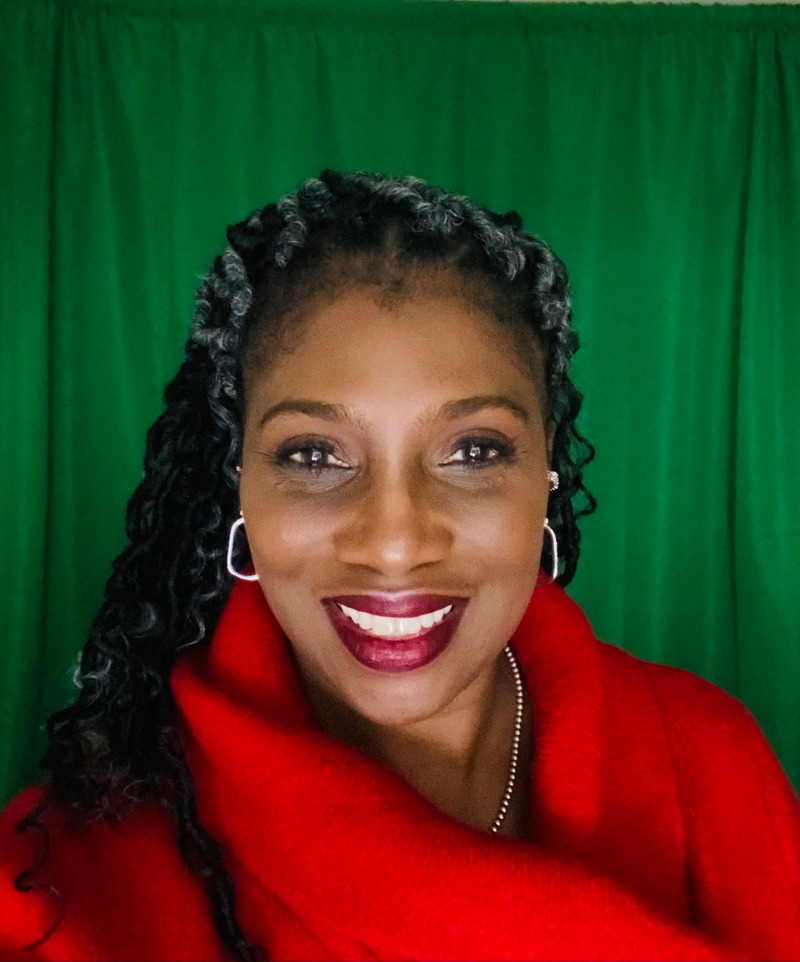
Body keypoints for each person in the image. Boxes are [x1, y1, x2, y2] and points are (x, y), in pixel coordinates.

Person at [0, 171, 798, 962]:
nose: (393, 541)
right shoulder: (66, 877)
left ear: (545, 474)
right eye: (314, 456)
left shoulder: (709, 765)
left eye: (473, 451)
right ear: (238, 481)